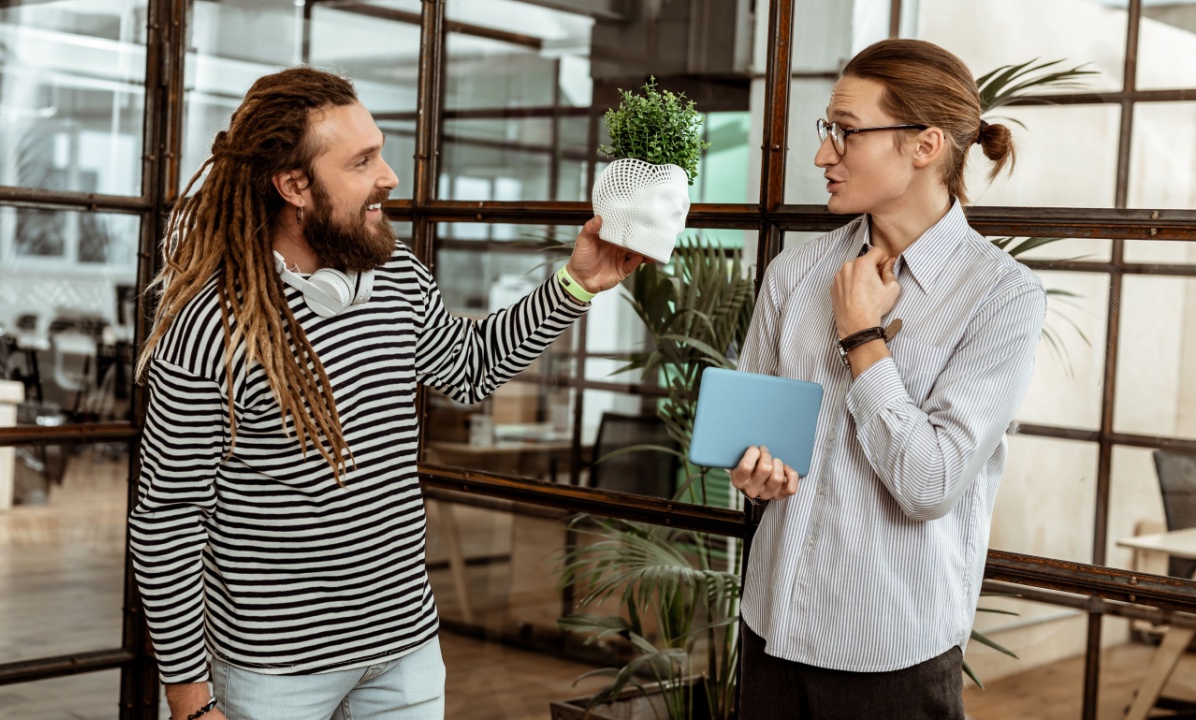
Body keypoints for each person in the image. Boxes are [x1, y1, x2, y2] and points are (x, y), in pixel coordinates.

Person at [127, 67, 644, 720]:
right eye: (362, 160)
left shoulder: (398, 276)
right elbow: (167, 519)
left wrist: (574, 283)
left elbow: (470, 366)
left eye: (381, 151)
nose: (389, 175)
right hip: (273, 670)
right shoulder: (211, 324)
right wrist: (190, 700)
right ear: (295, 186)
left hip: (404, 650)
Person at [729, 39, 1046, 719]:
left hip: (890, 654)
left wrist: (862, 338)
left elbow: (930, 485)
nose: (823, 155)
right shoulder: (794, 273)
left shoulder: (1004, 296)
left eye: (845, 131)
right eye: (827, 131)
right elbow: (753, 435)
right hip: (770, 629)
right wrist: (753, 468)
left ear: (925, 144)